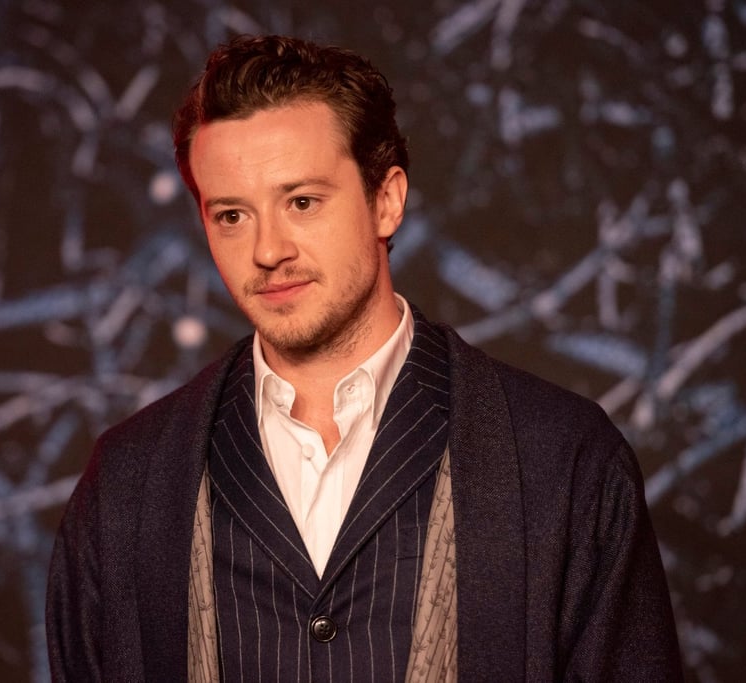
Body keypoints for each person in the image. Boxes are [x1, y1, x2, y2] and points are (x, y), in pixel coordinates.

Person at [46, 34, 683, 681]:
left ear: (387, 200)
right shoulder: (126, 487)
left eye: (301, 201)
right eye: (232, 214)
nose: (267, 249)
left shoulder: (564, 463)